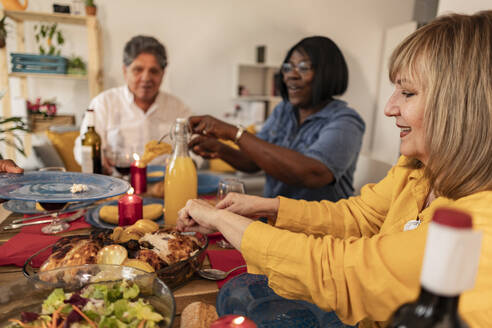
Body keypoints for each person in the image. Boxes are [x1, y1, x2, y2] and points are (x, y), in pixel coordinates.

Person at [178, 11, 492, 327]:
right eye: (288, 67)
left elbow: (337, 262)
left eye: (408, 92)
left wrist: (222, 211)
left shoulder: (481, 226)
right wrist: (267, 206)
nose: (389, 107)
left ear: (461, 104)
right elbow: (360, 216)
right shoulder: (415, 170)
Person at [189, 36, 365, 201]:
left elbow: (312, 174)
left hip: (319, 230)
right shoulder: (284, 110)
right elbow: (255, 162)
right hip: (275, 220)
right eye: (288, 68)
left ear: (328, 73)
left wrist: (234, 132)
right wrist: (220, 148)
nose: (291, 75)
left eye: (303, 68)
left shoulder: (346, 121)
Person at [74, 35, 191, 172]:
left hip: (166, 184)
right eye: (138, 70)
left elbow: (194, 151)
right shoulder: (103, 103)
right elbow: (81, 148)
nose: (146, 78)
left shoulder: (178, 108)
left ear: (163, 74)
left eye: (153, 71)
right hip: (117, 184)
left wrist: (187, 165)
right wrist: (97, 160)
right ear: (125, 71)